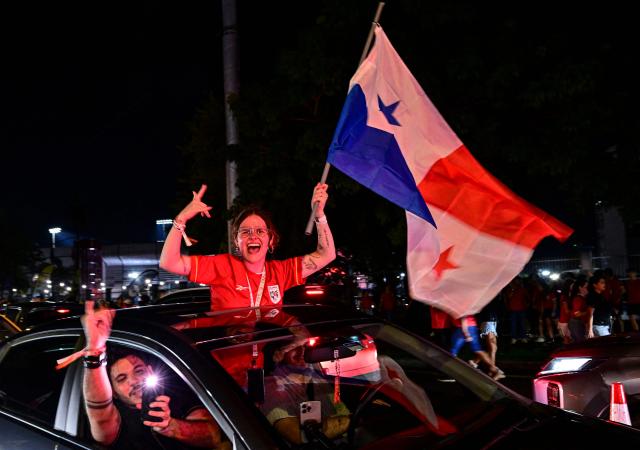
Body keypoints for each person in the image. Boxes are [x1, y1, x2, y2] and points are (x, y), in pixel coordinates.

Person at [160, 184, 335, 310]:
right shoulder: (222, 266)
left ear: (271, 240)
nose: (253, 236)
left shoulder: (281, 271)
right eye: (245, 232)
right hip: (225, 360)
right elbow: (169, 263)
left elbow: (327, 254)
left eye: (260, 231)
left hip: (264, 359)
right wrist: (181, 219)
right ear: (237, 242)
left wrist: (319, 214)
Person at [81, 301, 224, 449]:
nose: (135, 381)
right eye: (122, 379)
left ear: (150, 371)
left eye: (139, 371)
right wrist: (94, 351)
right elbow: (100, 417)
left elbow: (214, 436)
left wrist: (170, 425)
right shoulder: (116, 421)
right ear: (114, 393)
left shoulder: (174, 393)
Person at [260, 343, 350, 445]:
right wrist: (351, 421)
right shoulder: (270, 387)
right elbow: (298, 435)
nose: (302, 352)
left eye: (305, 346)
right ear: (278, 355)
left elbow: (341, 411)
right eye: (295, 346)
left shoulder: (314, 377)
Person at [450, 315, 504, 380]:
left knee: (453, 350)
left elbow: (464, 317)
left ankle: (451, 372)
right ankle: (495, 370)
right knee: (478, 349)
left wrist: (466, 333)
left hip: (464, 327)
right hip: (472, 325)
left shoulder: (461, 306)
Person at [586, 273, 612, 338]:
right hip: (599, 326)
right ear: (595, 285)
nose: (604, 284)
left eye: (604, 283)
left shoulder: (600, 295)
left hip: (603, 325)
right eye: (602, 283)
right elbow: (590, 314)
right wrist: (590, 329)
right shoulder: (593, 296)